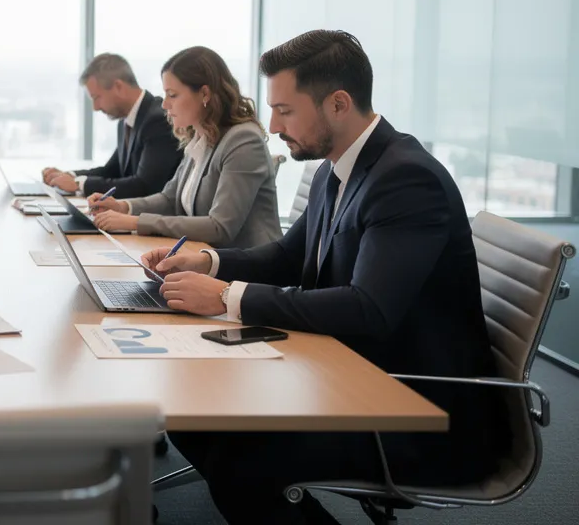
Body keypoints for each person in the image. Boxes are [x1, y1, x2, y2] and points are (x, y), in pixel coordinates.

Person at [143, 30, 506, 525]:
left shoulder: (405, 179)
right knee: (192, 417)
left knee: (239, 460)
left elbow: (367, 309)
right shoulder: (337, 170)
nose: (271, 125)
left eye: (286, 111)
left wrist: (227, 295)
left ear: (338, 104)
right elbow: (286, 258)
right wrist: (207, 263)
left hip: (419, 413)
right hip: (355, 376)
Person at [88, 46, 281, 249]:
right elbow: (170, 199)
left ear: (204, 94)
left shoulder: (243, 140)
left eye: (172, 95)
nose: (164, 105)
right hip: (205, 258)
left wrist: (135, 222)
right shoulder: (200, 137)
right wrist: (123, 207)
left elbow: (220, 228)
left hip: (246, 270)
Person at [43, 53, 180, 197]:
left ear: (118, 87)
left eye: (97, 97)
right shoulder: (126, 121)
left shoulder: (158, 120)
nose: (95, 107)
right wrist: (69, 176)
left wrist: (79, 184)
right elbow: (112, 170)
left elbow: (144, 185)